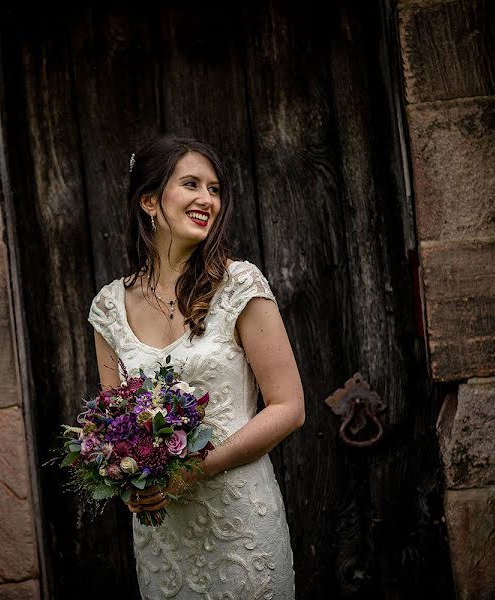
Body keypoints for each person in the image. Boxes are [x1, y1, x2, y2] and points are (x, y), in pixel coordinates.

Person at [87, 134, 304, 598]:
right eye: (191, 184)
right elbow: (112, 426)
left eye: (215, 189)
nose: (208, 199)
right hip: (163, 535)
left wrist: (193, 471)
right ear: (149, 200)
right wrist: (127, 480)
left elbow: (288, 407)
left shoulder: (240, 284)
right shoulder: (108, 308)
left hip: (240, 525)